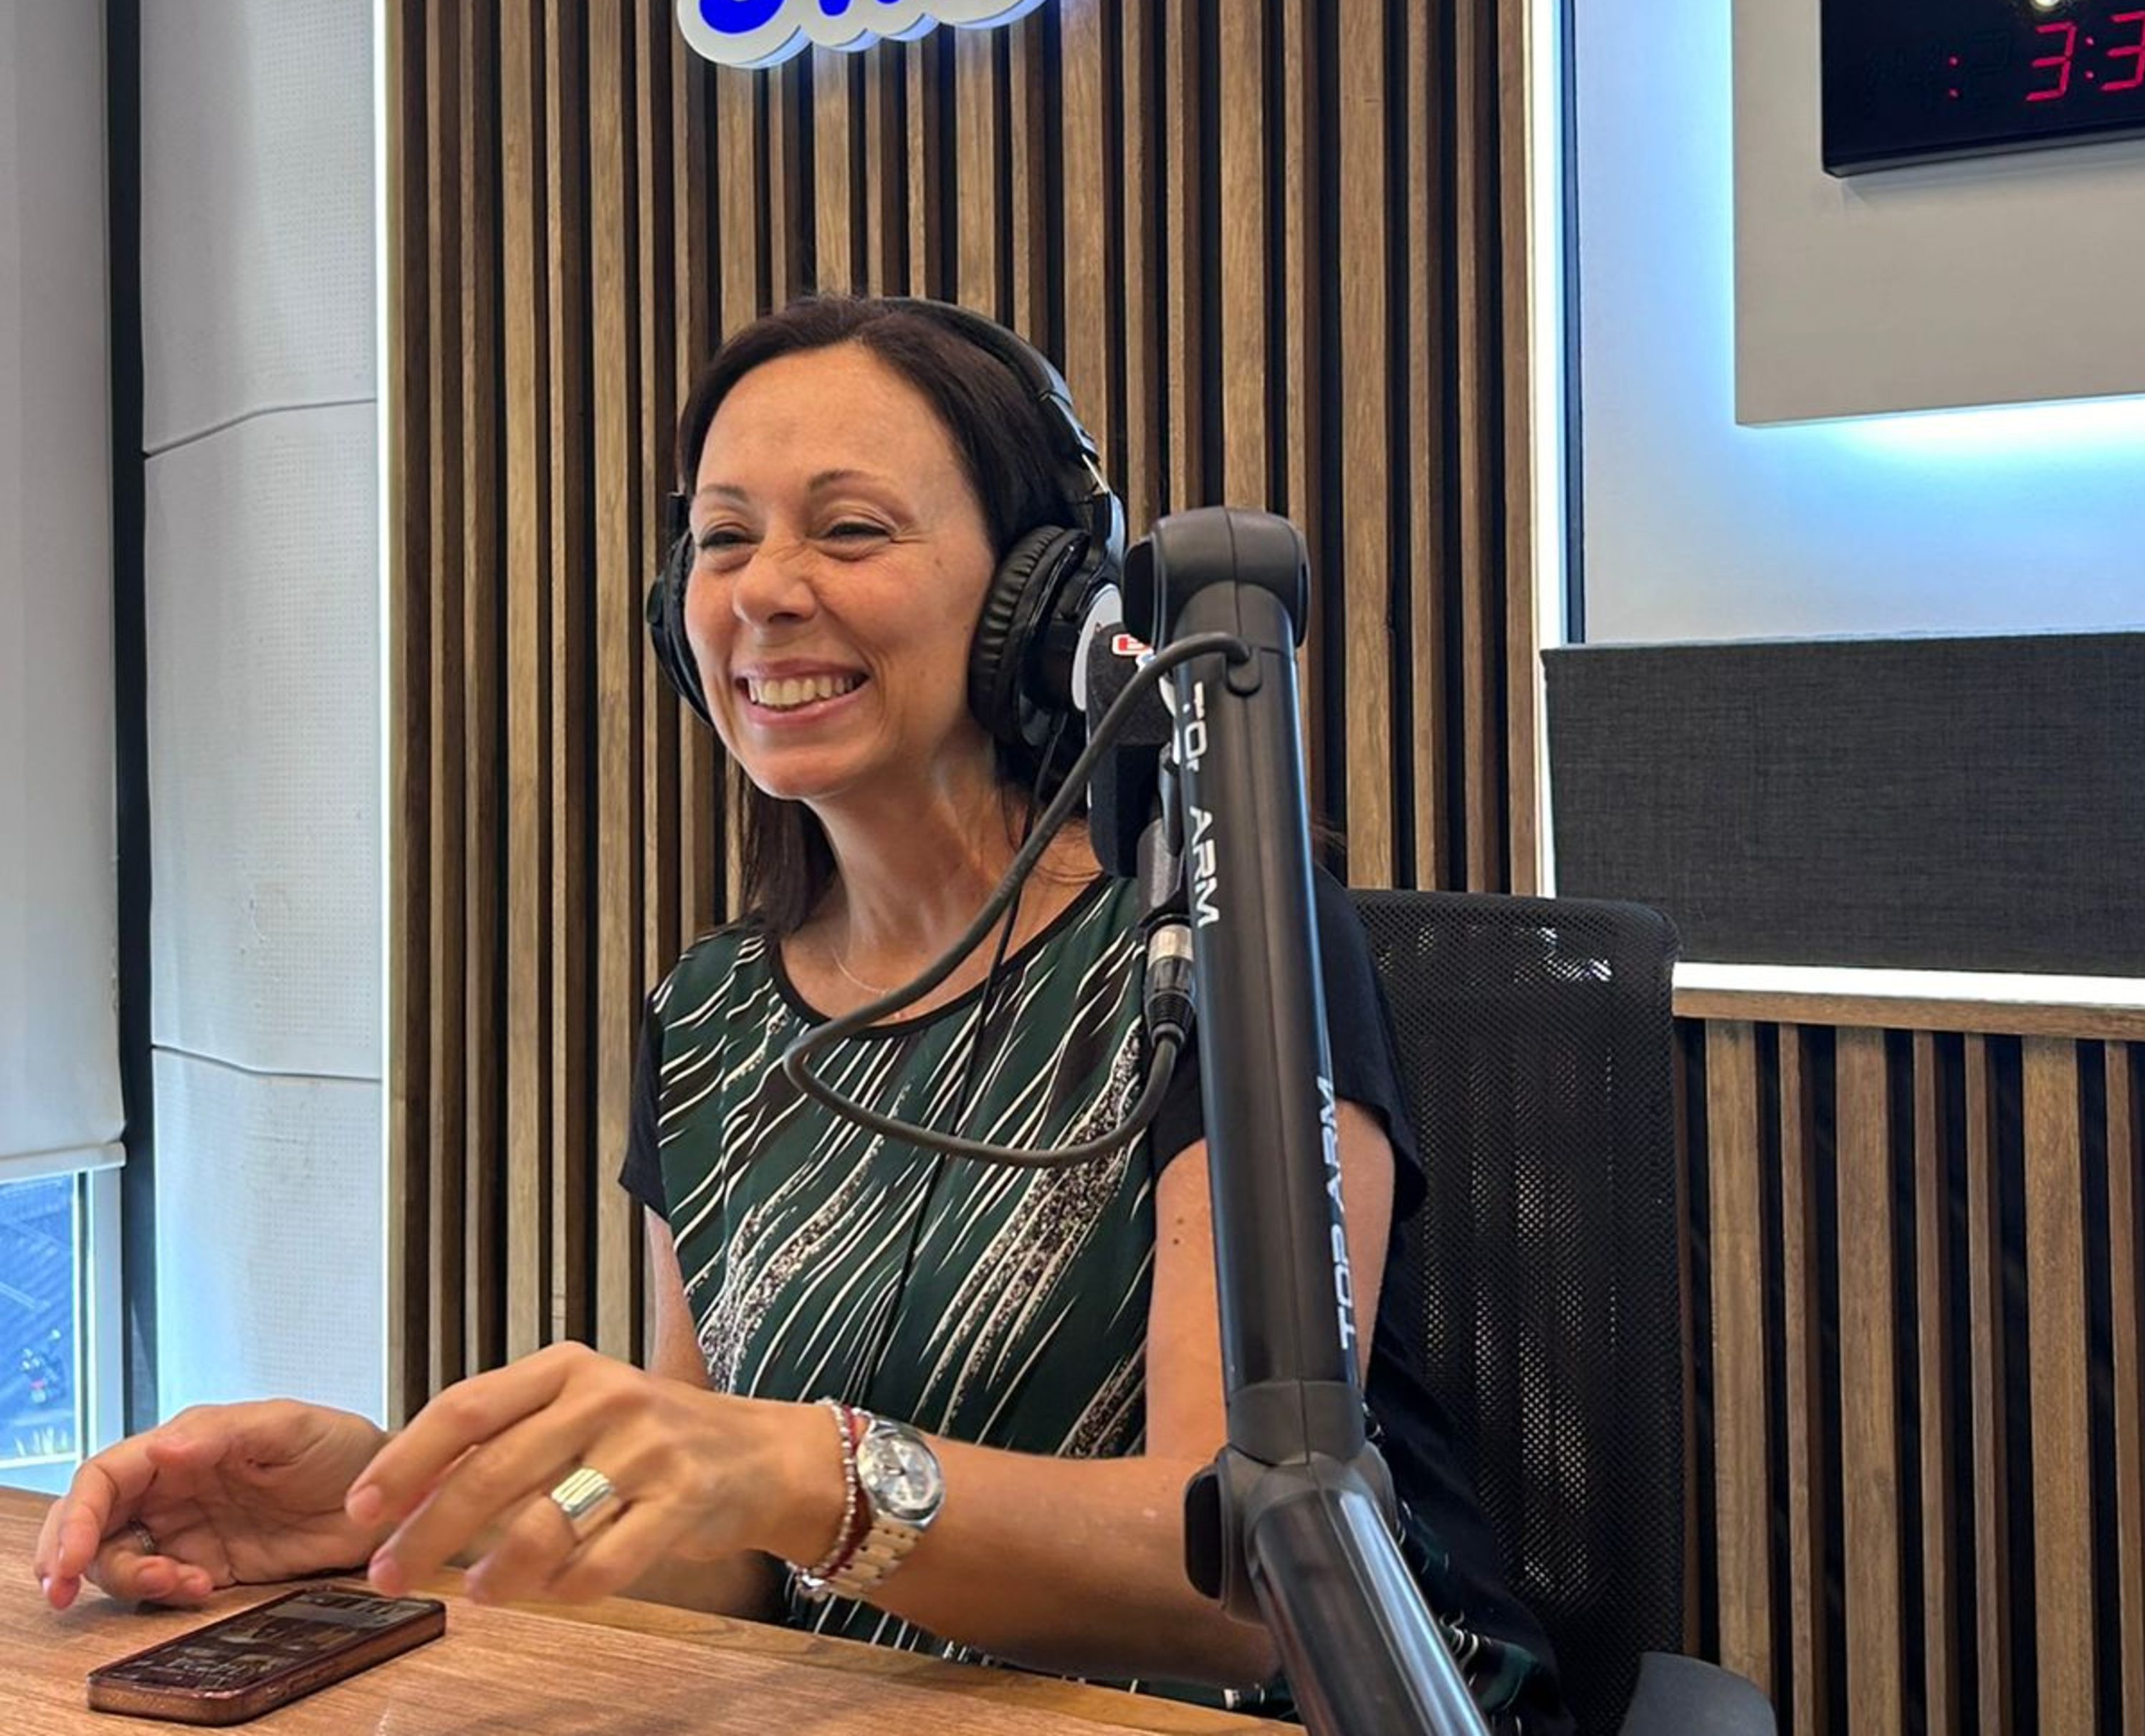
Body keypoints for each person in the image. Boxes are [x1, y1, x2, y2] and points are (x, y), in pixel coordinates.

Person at [30, 294, 1568, 1733]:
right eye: (722, 539)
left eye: (850, 529)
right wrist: (394, 1517)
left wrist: (801, 1469)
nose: (765, 591)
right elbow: (718, 1560)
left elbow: (1235, 1585)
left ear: (1036, 602)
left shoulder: (1215, 944)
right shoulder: (709, 1018)